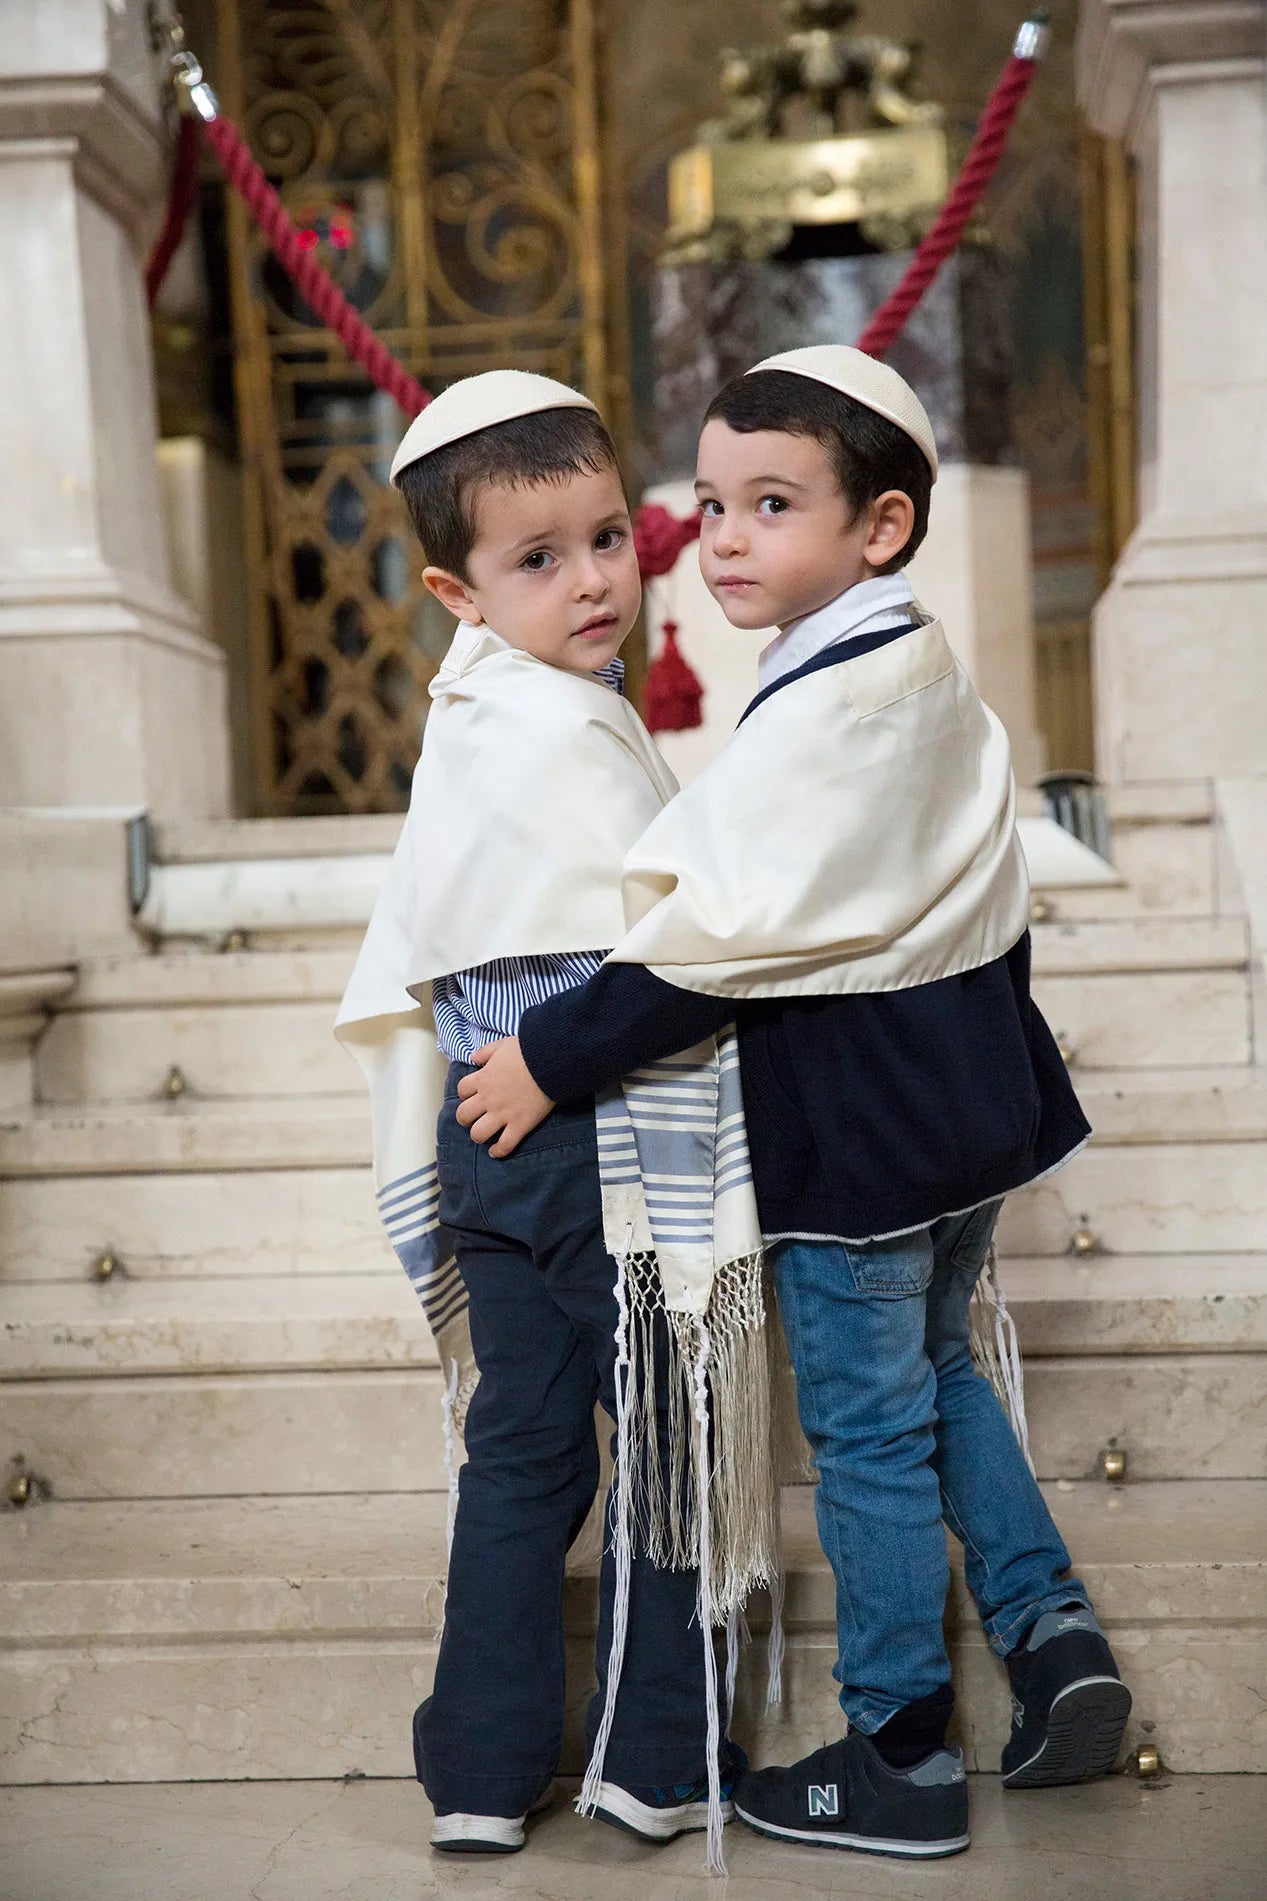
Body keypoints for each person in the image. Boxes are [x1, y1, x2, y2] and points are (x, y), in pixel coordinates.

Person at [454, 345, 1132, 1861]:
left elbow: (720, 942)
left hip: (868, 1133)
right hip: (972, 1101)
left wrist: (549, 1055)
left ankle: (896, 1746)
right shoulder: (919, 665)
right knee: (948, 1378)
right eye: (709, 505)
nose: (727, 539)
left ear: (879, 527)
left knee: (872, 1428)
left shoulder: (829, 705)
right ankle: (1054, 1638)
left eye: (772, 504)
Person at [334, 370, 775, 1868]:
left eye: (605, 536)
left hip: (483, 1143)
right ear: (458, 590)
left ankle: (478, 1760)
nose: (594, 579)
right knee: (658, 1433)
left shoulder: (466, 722)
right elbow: (647, 955)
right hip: (588, 1127)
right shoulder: (552, 729)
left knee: (522, 1448)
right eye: (541, 560)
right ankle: (658, 1755)